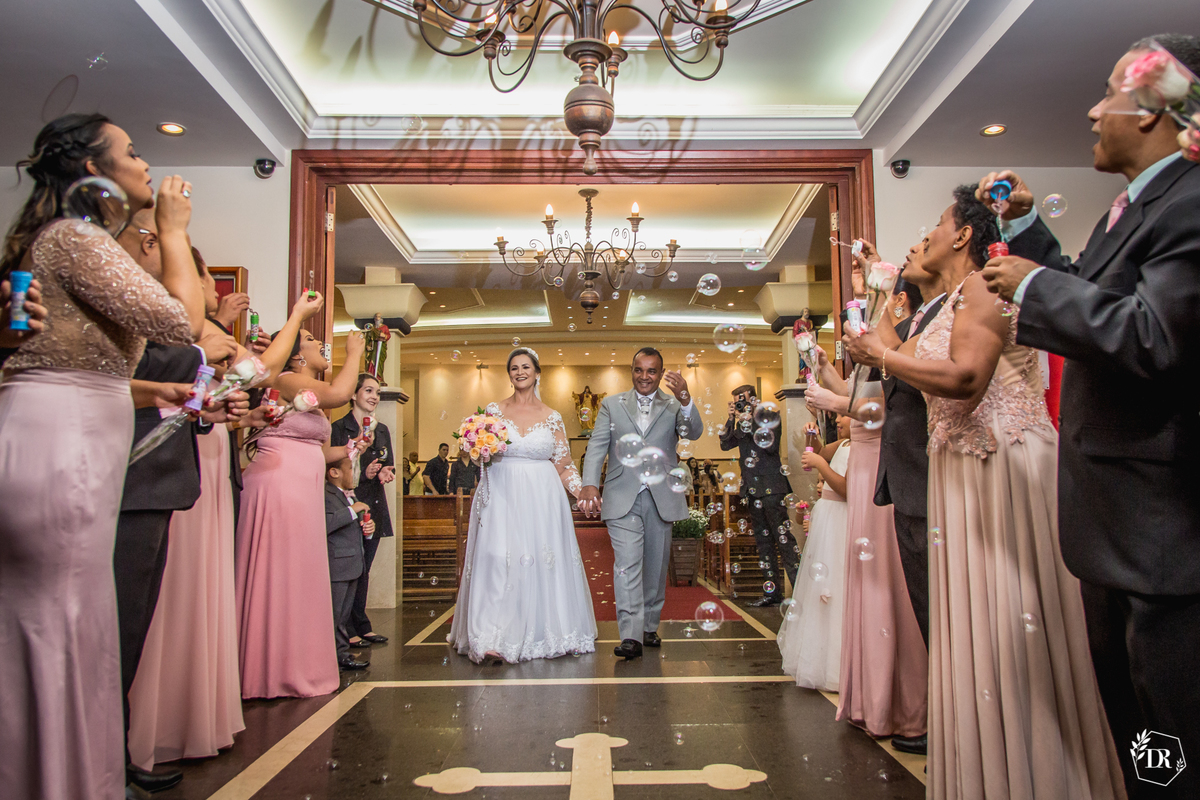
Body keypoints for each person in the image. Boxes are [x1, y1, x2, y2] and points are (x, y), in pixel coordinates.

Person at [846, 185, 1125, 799]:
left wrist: (880, 355)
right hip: (959, 472)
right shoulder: (943, 305)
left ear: (964, 235)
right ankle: (992, 768)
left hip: (1000, 464)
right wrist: (876, 295)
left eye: (937, 224)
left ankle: (1038, 771)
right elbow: (897, 355)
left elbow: (965, 378)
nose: (927, 234)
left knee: (1010, 618)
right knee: (974, 627)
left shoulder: (983, 287)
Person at [979, 35, 1200, 799]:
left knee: (1175, 731)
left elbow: (1155, 335)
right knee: (1141, 734)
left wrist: (1034, 287)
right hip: (1116, 525)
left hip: (1163, 531)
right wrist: (1031, 233)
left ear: (1154, 109)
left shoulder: (1192, 202)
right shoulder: (1129, 210)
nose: (1092, 111)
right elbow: (1097, 290)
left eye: (1108, 93)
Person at [0, 113, 202, 800]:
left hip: (79, 428)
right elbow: (181, 322)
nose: (145, 164)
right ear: (95, 170)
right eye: (133, 152)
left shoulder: (72, 241)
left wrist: (157, 390)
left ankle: (70, 774)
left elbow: (87, 358)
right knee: (55, 617)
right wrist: (173, 230)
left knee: (78, 617)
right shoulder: (75, 237)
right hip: (60, 440)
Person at [125, 247, 316, 779]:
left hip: (200, 458)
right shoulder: (182, 333)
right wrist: (297, 315)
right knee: (170, 589)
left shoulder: (205, 333)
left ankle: (187, 714)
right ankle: (153, 724)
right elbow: (260, 371)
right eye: (207, 277)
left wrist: (229, 414)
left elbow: (226, 388)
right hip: (171, 464)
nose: (213, 286)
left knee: (192, 586)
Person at [235, 323, 366, 698]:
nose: (320, 343)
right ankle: (267, 669)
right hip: (279, 486)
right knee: (280, 574)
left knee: (297, 577)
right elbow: (340, 393)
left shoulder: (306, 393)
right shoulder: (288, 379)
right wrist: (354, 352)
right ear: (295, 354)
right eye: (310, 340)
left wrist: (350, 449)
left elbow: (318, 450)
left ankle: (291, 662)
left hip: (301, 490)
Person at [805, 352, 927, 742]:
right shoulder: (869, 356)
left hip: (878, 467)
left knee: (883, 581)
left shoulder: (890, 347)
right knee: (866, 579)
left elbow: (878, 406)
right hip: (861, 468)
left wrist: (832, 401)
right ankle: (869, 698)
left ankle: (901, 701)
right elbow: (859, 391)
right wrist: (825, 370)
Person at [448, 347, 597, 663]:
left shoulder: (552, 417)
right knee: (497, 558)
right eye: (514, 368)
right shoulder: (493, 411)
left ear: (537, 373)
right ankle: (490, 636)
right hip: (501, 495)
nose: (520, 372)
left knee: (539, 560)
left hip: (543, 500)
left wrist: (582, 492)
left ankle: (544, 630)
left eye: (525, 367)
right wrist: (474, 447)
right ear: (509, 374)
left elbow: (563, 465)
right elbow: (474, 453)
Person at [578, 348, 703, 659]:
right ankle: (631, 636)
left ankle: (649, 624)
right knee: (627, 564)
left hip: (662, 495)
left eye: (651, 371)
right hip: (622, 494)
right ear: (631, 370)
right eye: (638, 369)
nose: (644, 376)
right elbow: (597, 445)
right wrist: (589, 483)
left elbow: (694, 432)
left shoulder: (674, 405)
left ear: (660, 374)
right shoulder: (611, 404)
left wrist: (685, 398)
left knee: (655, 566)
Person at [778, 416, 851, 691]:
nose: (838, 419)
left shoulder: (863, 448)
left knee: (838, 589)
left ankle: (839, 665)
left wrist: (820, 465)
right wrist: (811, 438)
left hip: (841, 521)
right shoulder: (843, 444)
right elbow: (819, 450)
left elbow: (847, 488)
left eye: (844, 414)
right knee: (820, 590)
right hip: (826, 520)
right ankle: (821, 659)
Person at [330, 374, 395, 648]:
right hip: (349, 503)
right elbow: (334, 469)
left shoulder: (382, 430)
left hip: (373, 504)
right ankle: (345, 629)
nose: (374, 397)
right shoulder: (338, 428)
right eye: (368, 391)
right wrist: (363, 473)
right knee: (350, 569)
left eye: (377, 392)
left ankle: (361, 624)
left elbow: (388, 463)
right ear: (353, 395)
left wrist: (383, 472)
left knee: (364, 569)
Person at [720, 385, 796, 607]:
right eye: (737, 401)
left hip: (772, 488)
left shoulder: (770, 417)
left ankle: (801, 592)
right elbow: (725, 444)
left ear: (754, 399)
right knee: (763, 543)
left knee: (783, 540)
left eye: (743, 400)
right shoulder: (741, 424)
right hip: (752, 490)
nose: (741, 404)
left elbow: (770, 446)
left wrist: (751, 419)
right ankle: (772, 593)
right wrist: (731, 419)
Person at [324, 455, 373, 671]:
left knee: (343, 615)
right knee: (334, 615)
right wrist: (353, 510)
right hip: (337, 566)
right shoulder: (326, 494)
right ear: (334, 472)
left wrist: (368, 530)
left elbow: (352, 527)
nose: (356, 473)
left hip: (352, 564)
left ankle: (341, 654)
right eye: (352, 468)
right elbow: (326, 523)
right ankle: (333, 656)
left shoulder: (348, 496)